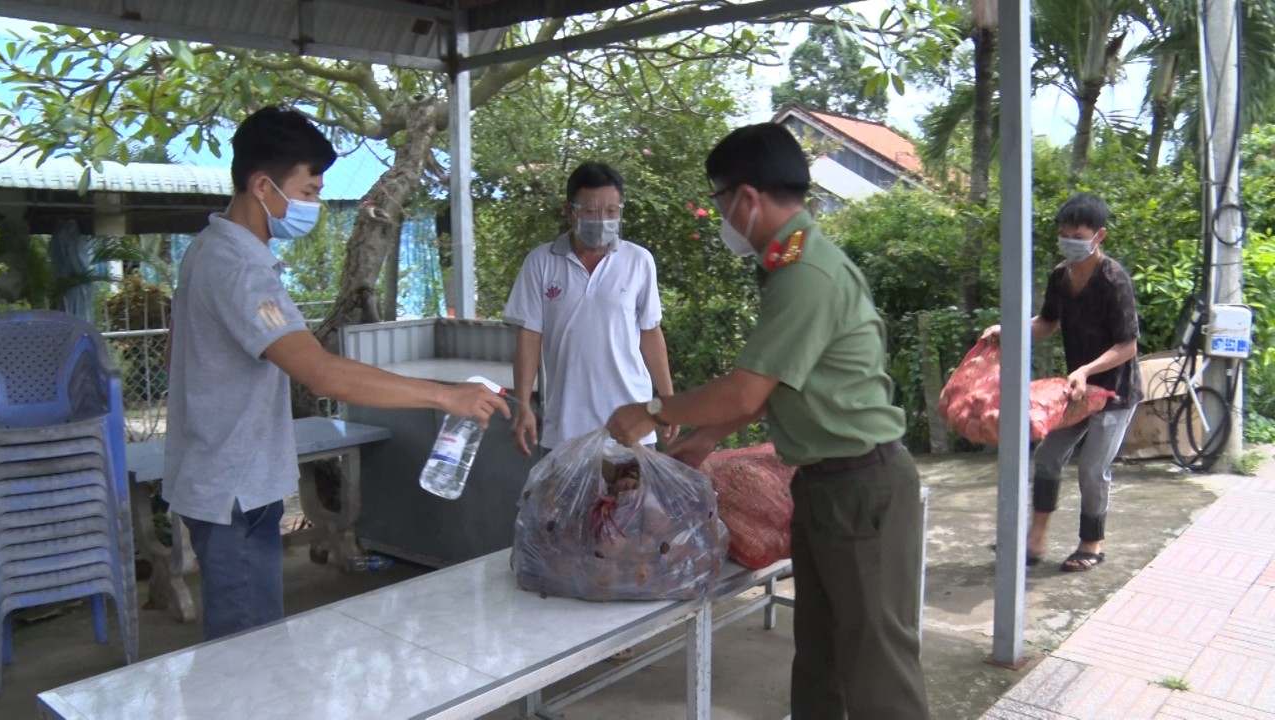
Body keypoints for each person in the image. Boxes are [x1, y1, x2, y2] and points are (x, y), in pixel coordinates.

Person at [606, 124, 929, 719]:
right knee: (822, 659)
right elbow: (769, 391)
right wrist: (703, 441)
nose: (721, 218)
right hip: (828, 486)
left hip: (862, 488)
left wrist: (651, 409)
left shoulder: (806, 274)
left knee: (878, 669)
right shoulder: (790, 267)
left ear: (747, 198)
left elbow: (745, 389)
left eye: (721, 203)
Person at [164, 106, 509, 641]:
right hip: (228, 485)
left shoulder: (222, 254)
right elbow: (320, 374)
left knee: (257, 638)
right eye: (307, 192)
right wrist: (446, 397)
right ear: (262, 185)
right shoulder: (236, 269)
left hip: (238, 477)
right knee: (239, 653)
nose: (315, 205)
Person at [981, 192, 1141, 573]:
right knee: (1049, 456)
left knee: (1091, 469)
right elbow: (1047, 322)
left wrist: (1086, 370)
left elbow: (1128, 346)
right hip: (1075, 392)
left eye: (1078, 234)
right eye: (1065, 233)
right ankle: (1035, 540)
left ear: (1099, 236)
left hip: (1114, 392)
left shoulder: (1113, 279)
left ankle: (1091, 543)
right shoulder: (1060, 276)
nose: (1070, 240)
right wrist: (1009, 330)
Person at [504, 161, 677, 456]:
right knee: (561, 503)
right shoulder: (541, 262)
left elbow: (650, 332)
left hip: (632, 424)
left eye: (611, 211)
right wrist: (523, 406)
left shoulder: (639, 261)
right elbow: (529, 337)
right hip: (565, 428)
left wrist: (669, 400)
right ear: (570, 212)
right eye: (591, 212)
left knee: (631, 502)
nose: (602, 220)